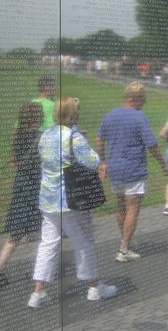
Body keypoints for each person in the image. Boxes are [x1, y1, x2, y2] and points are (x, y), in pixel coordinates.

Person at [28, 97, 116, 308]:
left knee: (47, 244)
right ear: (73, 114)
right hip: (70, 199)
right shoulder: (73, 137)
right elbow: (92, 161)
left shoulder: (46, 135)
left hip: (48, 198)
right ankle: (94, 286)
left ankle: (38, 291)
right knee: (83, 241)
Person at [96, 82, 168, 262]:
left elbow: (99, 139)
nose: (144, 102)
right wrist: (163, 164)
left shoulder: (110, 115)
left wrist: (103, 161)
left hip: (115, 169)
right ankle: (124, 248)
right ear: (136, 98)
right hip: (133, 169)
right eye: (143, 98)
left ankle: (125, 242)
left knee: (121, 207)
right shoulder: (139, 117)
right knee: (132, 209)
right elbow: (151, 144)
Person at [0, 103, 44, 287]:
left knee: (16, 232)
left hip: (21, 185)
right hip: (37, 187)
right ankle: (42, 271)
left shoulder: (17, 137)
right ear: (38, 118)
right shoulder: (40, 138)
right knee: (46, 231)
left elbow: (15, 163)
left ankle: (0, 265)